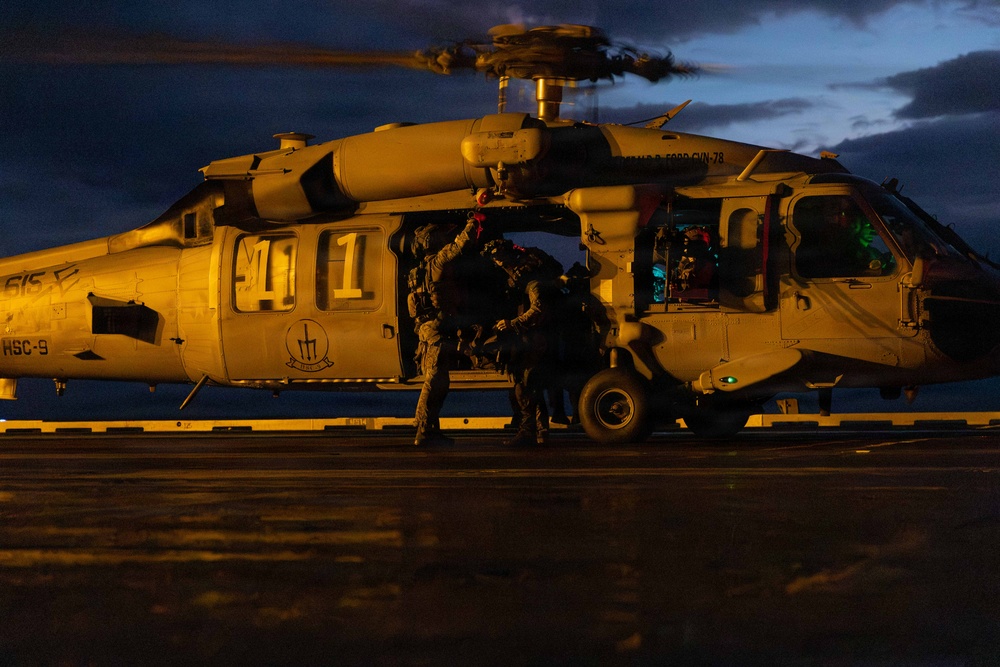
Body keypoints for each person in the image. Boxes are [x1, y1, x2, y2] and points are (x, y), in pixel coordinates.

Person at [482, 239, 563, 446]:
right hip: (530, 338)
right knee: (529, 386)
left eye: (501, 260)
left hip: (535, 339)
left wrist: (513, 323)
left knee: (525, 386)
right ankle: (540, 432)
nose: (500, 265)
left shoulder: (532, 283)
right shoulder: (520, 282)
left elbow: (538, 310)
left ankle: (529, 432)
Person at [409, 217, 479, 446]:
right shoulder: (438, 263)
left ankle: (430, 428)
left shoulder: (419, 271)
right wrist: (472, 223)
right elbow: (459, 246)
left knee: (439, 380)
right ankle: (423, 430)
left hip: (429, 328)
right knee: (434, 380)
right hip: (436, 329)